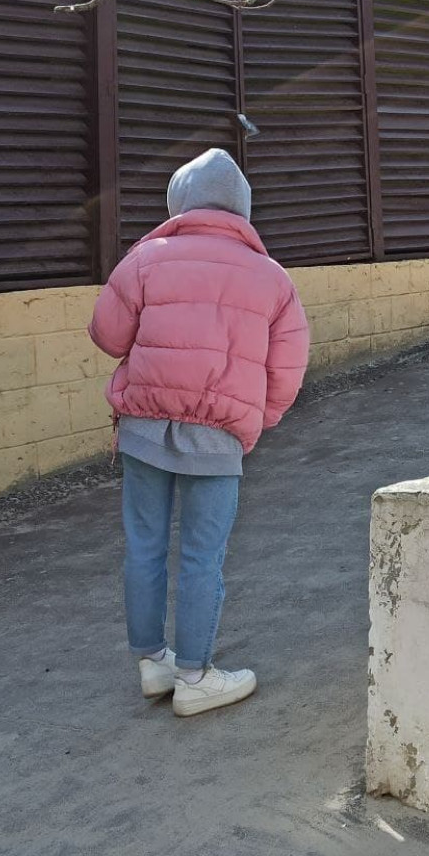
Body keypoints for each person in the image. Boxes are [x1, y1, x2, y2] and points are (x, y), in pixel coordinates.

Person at [88, 148, 310, 717]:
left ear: (179, 201)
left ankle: (152, 663)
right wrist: (253, 421)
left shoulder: (144, 258)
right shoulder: (272, 278)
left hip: (143, 425)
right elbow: (287, 371)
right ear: (243, 208)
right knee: (201, 555)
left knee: (144, 544)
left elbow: (108, 335)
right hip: (218, 436)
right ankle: (195, 676)